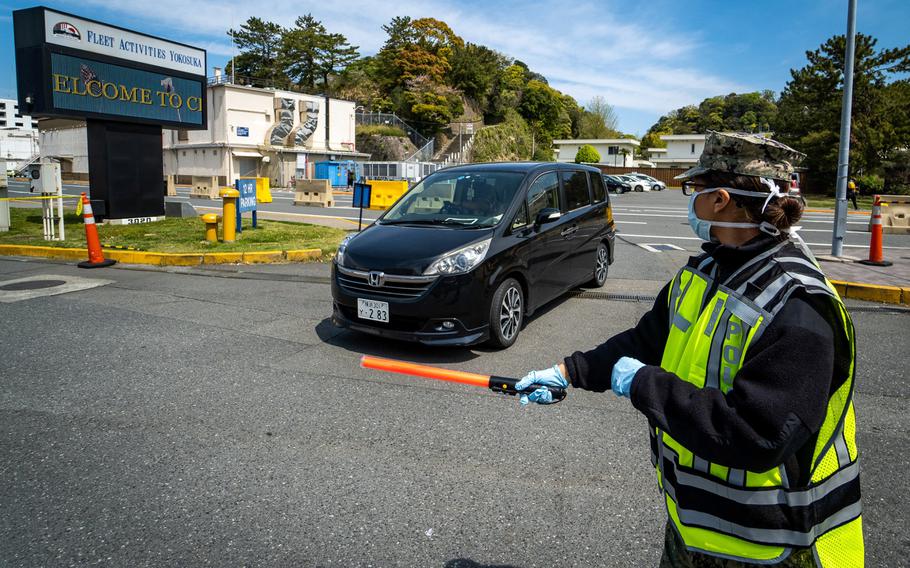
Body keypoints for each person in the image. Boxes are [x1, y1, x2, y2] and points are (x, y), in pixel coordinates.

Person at [515, 131, 864, 567]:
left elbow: (759, 434)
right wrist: (568, 371)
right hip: (694, 523)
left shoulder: (797, 304)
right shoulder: (707, 269)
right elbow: (645, 341)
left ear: (720, 200)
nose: (690, 199)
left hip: (763, 546)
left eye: (694, 189)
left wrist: (645, 384)